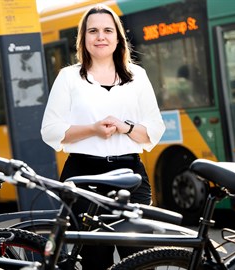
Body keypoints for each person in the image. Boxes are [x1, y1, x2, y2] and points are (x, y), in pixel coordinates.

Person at [40, 4, 165, 269]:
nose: (101, 37)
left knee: (141, 260)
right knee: (95, 261)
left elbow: (153, 131)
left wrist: (125, 127)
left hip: (129, 175)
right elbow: (50, 130)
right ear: (83, 38)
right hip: (83, 176)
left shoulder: (137, 76)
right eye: (93, 31)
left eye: (108, 30)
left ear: (118, 37)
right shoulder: (68, 77)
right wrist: (92, 129)